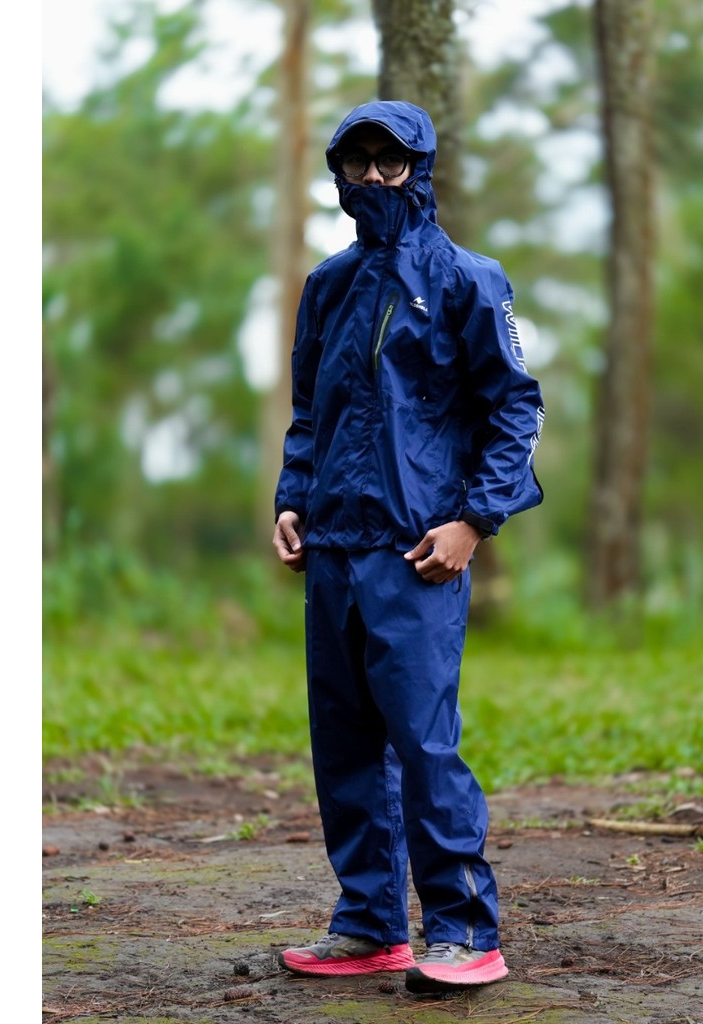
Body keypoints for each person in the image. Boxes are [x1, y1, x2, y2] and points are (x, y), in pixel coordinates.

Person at [271, 100, 544, 994]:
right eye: (357, 163)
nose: (374, 178)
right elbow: (310, 413)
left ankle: (465, 930)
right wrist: (293, 501)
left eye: (390, 162)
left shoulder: (468, 278)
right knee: (344, 746)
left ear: (419, 169)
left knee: (424, 748)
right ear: (339, 173)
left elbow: (516, 408)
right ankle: (369, 925)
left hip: (416, 553)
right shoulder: (328, 285)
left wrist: (475, 521)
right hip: (333, 548)